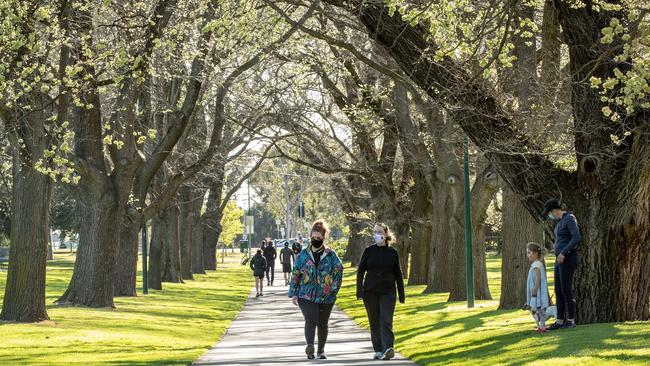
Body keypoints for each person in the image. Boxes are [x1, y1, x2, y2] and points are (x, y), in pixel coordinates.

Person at [289, 219, 343, 360]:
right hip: (306, 295)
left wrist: (333, 289)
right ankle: (310, 347)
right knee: (311, 319)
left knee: (323, 323)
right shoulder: (303, 255)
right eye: (313, 237)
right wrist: (294, 293)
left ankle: (321, 351)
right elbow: (296, 273)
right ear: (310, 236)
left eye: (319, 238)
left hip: (326, 296)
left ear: (323, 237)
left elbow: (339, 270)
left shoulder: (331, 255)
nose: (316, 240)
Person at [356, 222, 405, 361]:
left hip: (388, 292)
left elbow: (398, 274)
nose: (377, 234)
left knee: (386, 320)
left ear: (386, 234)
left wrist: (401, 294)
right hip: (370, 292)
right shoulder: (368, 250)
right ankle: (378, 349)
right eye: (375, 232)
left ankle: (388, 348)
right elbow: (360, 272)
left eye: (380, 232)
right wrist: (359, 291)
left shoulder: (392, 253)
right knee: (374, 321)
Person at [542, 198, 580, 330]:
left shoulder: (569, 218)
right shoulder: (559, 223)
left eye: (550, 213)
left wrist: (564, 253)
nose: (550, 216)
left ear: (554, 210)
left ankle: (571, 320)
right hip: (558, 259)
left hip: (568, 258)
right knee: (558, 290)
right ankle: (559, 320)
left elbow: (576, 238)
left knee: (566, 290)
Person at [526, 242, 550, 332]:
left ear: (535, 253)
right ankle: (541, 326)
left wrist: (535, 289)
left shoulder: (537, 265)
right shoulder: (537, 264)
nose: (527, 255)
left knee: (538, 308)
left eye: (529, 252)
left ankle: (542, 326)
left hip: (538, 290)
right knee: (538, 309)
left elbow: (538, 277)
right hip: (537, 289)